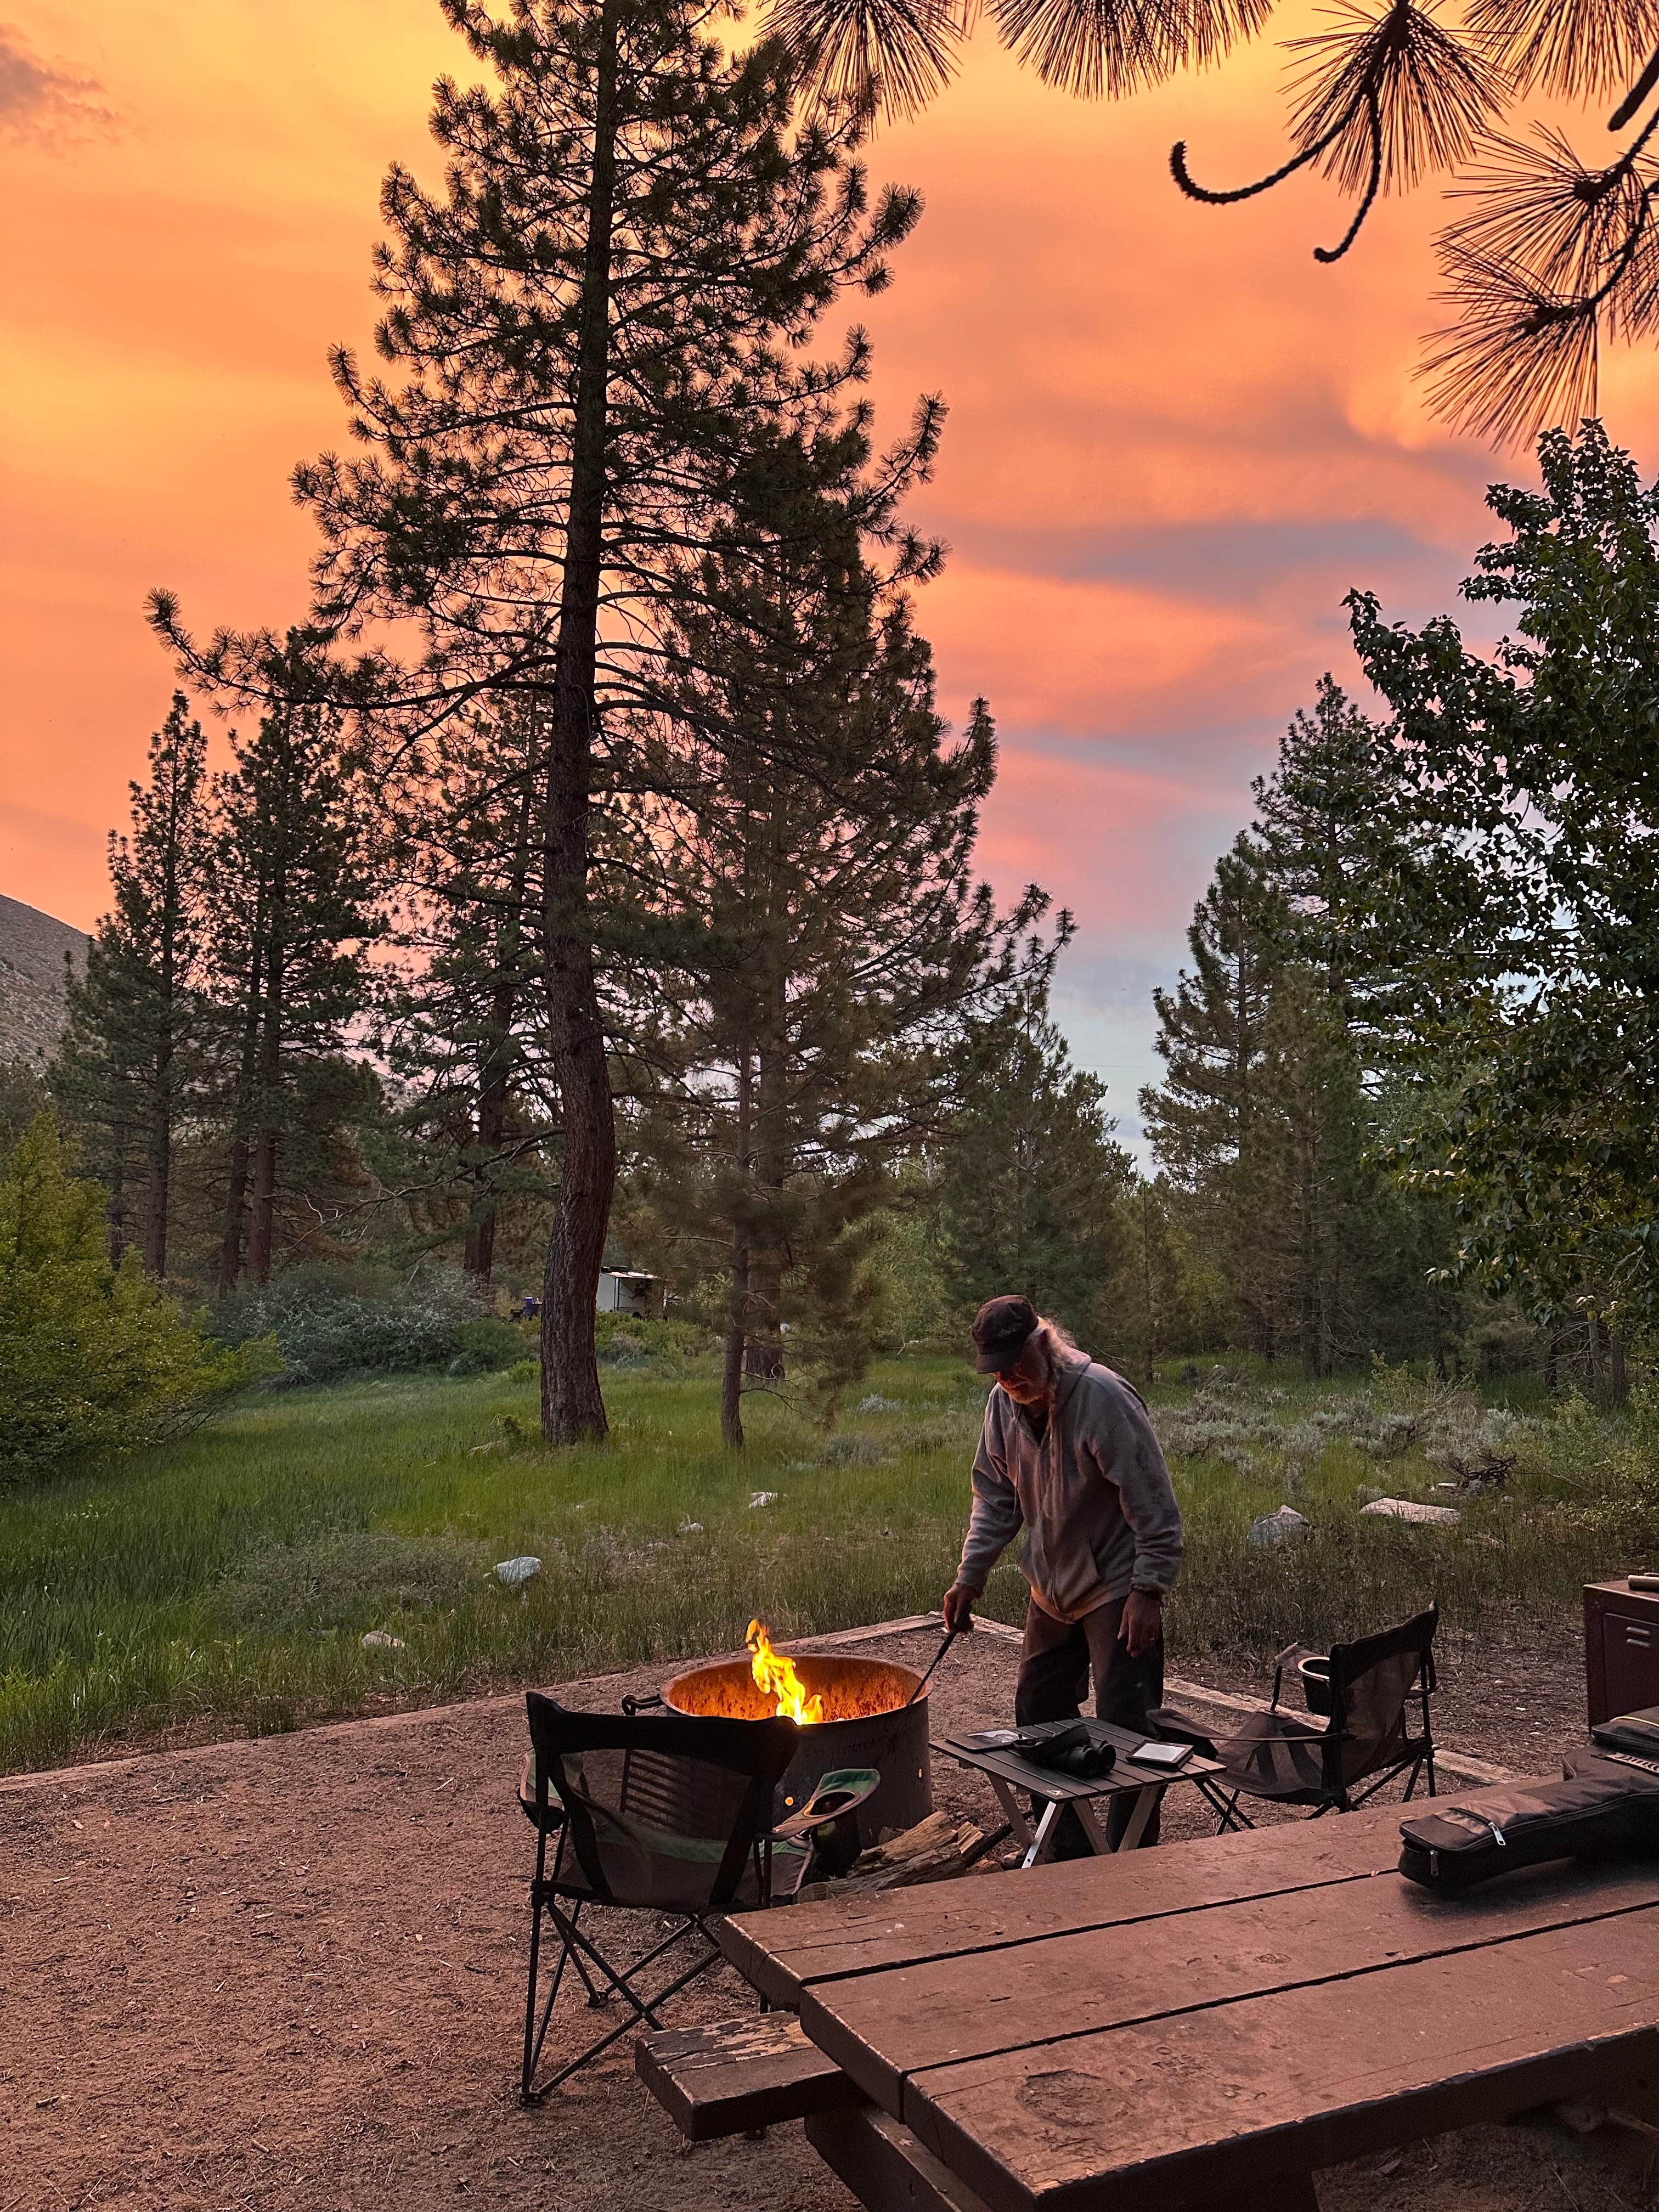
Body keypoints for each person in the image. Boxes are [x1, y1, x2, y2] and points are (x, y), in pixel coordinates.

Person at [942, 1293, 1183, 1849]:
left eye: (1016, 1363)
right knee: (1037, 1712)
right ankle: (1068, 1847)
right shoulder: (1003, 1406)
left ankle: (1133, 1859)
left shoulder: (1102, 1396)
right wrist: (968, 1577)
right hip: (1051, 1589)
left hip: (1116, 1586)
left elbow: (1154, 1504)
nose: (1008, 1378)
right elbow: (995, 1499)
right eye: (996, 1370)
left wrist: (1148, 1590)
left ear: (1043, 1342)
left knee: (1128, 1725)